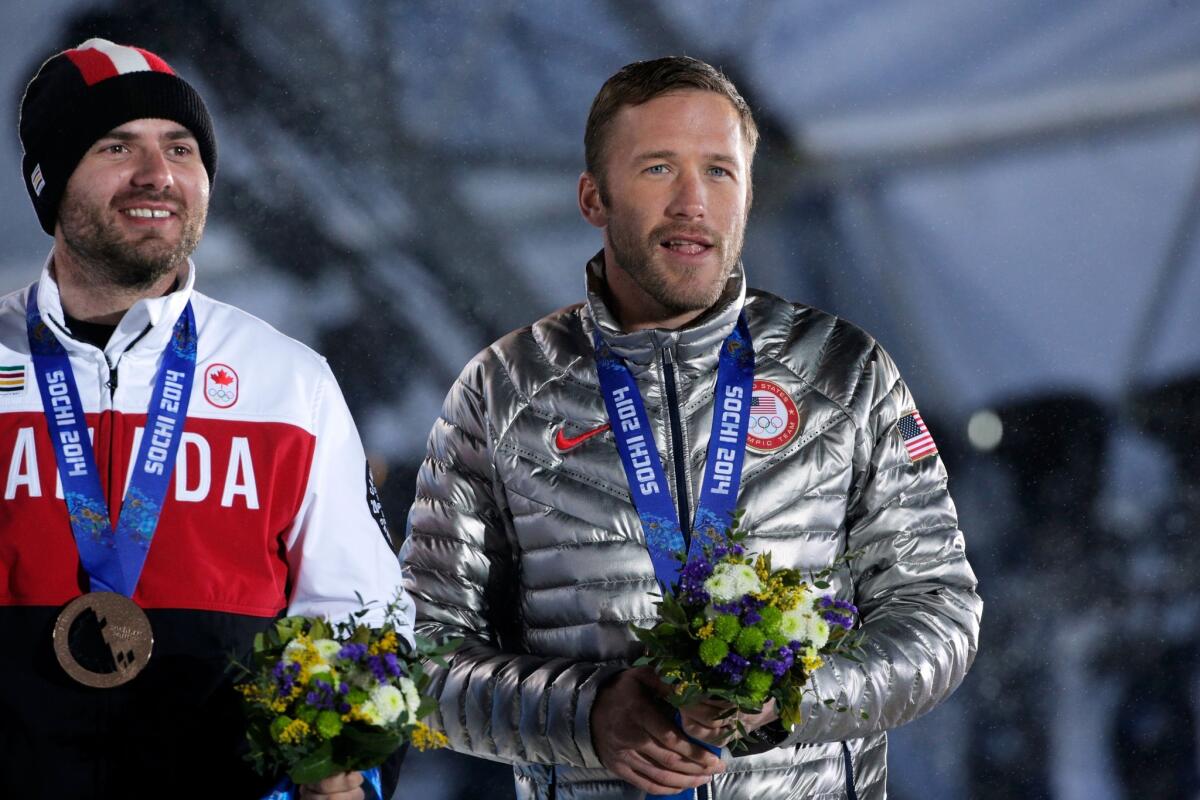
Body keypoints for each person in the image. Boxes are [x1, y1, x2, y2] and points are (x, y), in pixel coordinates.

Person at [402, 56, 981, 799]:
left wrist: (797, 700)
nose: (691, 203)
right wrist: (587, 716)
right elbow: (421, 655)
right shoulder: (503, 391)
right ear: (593, 197)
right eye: (656, 169)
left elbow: (939, 611)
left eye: (718, 171)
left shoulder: (842, 371)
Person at [0, 39, 409, 800]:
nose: (158, 175)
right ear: (49, 182)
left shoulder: (289, 381)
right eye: (117, 146)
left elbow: (361, 615)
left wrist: (343, 766)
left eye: (181, 148)